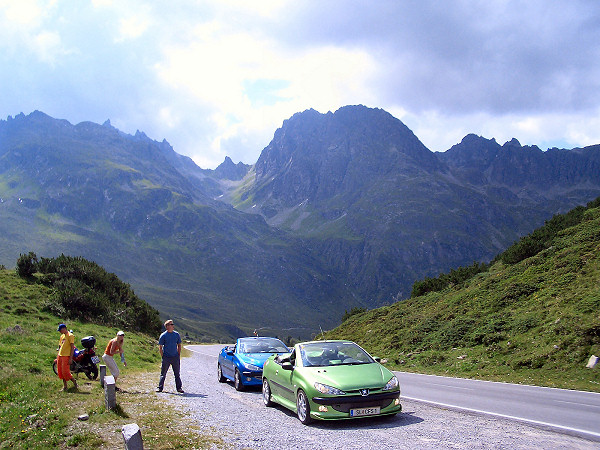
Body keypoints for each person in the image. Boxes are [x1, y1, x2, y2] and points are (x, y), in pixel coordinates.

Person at [156, 319, 183, 393]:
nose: (173, 326)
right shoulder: (163, 335)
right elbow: (160, 347)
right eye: (171, 324)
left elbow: (179, 345)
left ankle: (179, 388)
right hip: (166, 357)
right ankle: (160, 388)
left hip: (175, 357)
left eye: (173, 324)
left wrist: (178, 354)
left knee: (177, 374)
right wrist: (163, 356)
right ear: (167, 326)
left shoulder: (176, 334)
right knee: (163, 374)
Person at [56, 323, 77, 391]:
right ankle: (65, 386)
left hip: (66, 356)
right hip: (60, 355)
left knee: (65, 371)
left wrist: (70, 358)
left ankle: (73, 381)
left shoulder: (70, 335)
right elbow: (60, 346)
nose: (60, 331)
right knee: (60, 371)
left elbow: (72, 347)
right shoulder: (62, 336)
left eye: (60, 330)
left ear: (64, 329)